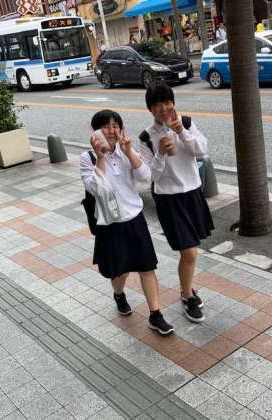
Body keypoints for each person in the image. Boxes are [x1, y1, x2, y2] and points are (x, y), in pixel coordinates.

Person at [80, 110, 174, 336]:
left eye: (116, 126)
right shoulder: (87, 158)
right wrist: (101, 157)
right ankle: (119, 294)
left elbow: (146, 177)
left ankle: (155, 315)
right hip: (110, 224)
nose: (111, 131)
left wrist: (129, 151)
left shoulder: (126, 151)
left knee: (147, 267)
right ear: (95, 132)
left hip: (135, 218)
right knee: (119, 273)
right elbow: (95, 189)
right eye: (106, 126)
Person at [139, 82, 214, 323]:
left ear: (173, 102)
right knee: (189, 251)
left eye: (167, 102)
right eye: (157, 104)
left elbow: (202, 150)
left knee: (191, 250)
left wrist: (181, 131)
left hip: (192, 193)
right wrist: (160, 153)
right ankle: (187, 295)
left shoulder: (186, 123)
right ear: (150, 109)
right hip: (169, 199)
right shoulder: (146, 137)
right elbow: (150, 176)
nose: (163, 108)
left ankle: (187, 288)